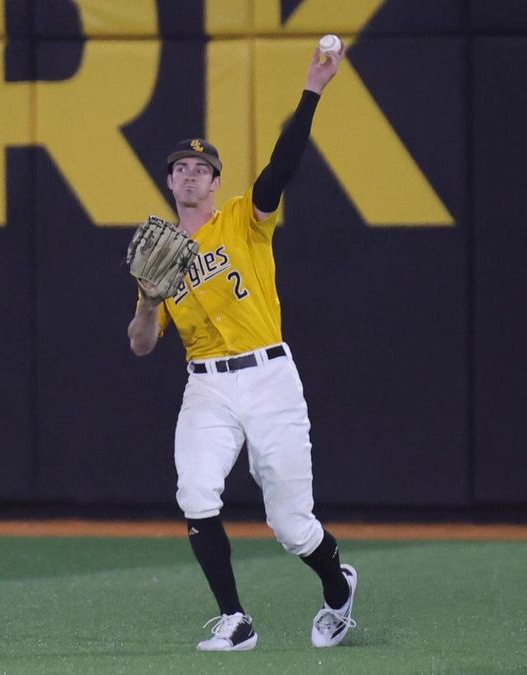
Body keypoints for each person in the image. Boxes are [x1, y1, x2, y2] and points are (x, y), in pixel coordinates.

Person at [126, 43, 356, 652]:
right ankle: (235, 619)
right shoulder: (162, 257)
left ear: (216, 181)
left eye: (201, 167)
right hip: (206, 384)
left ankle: (338, 588)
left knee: (292, 525)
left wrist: (313, 89)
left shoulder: (242, 219)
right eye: (181, 167)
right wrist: (147, 302)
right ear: (169, 180)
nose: (190, 173)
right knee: (196, 491)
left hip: (269, 376)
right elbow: (142, 345)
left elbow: (283, 163)